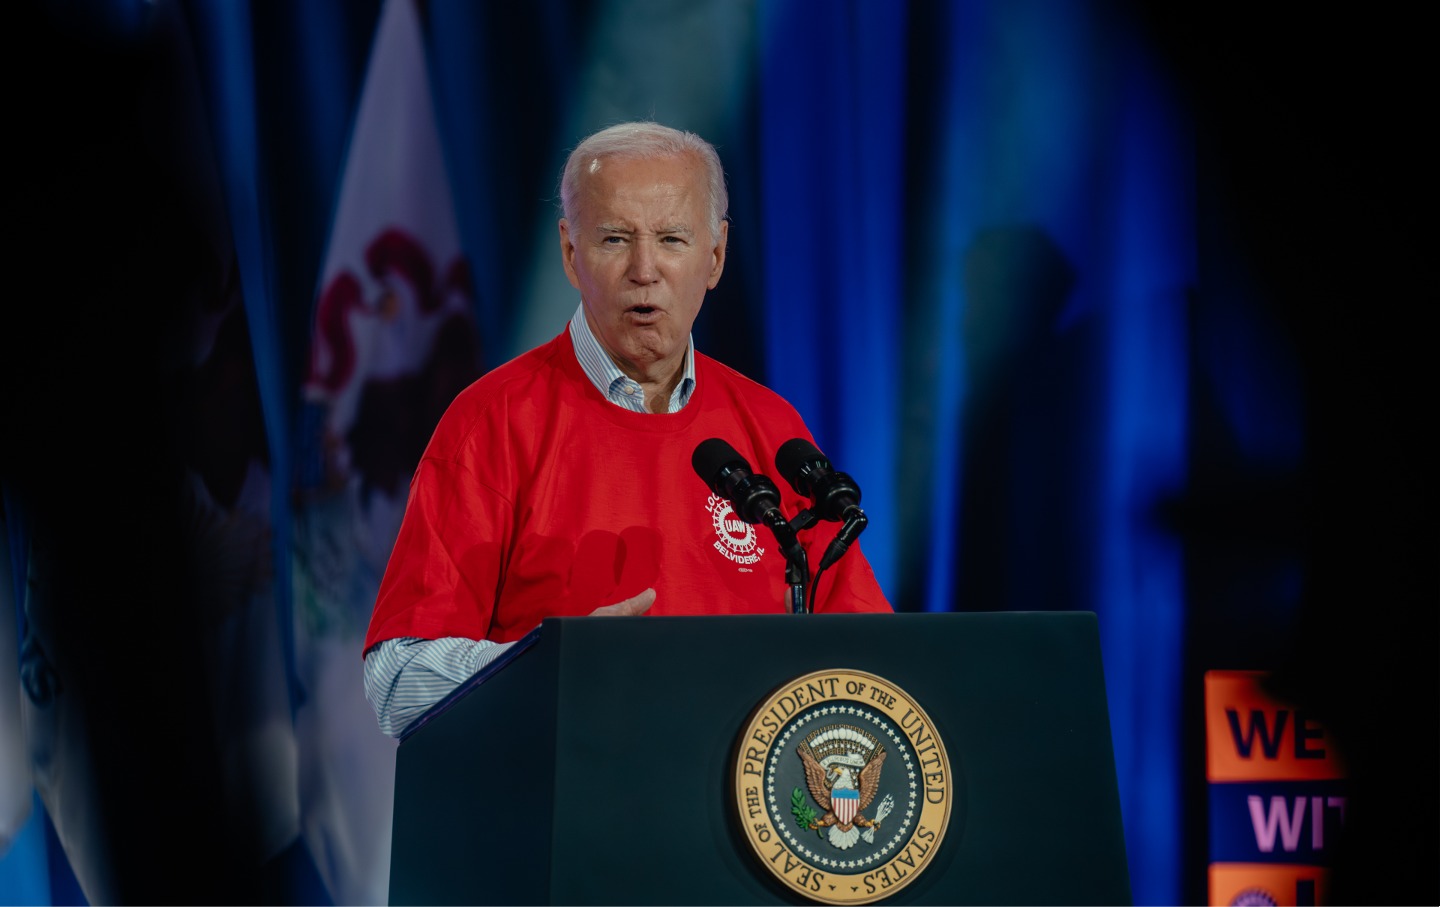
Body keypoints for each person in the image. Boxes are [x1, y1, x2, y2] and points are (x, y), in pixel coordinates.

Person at [362, 121, 892, 737]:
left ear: (715, 256)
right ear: (569, 253)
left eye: (672, 239)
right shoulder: (491, 424)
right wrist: (559, 667)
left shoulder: (773, 429)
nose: (645, 270)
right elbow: (396, 682)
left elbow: (870, 663)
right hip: (567, 810)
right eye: (615, 239)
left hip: (743, 819)